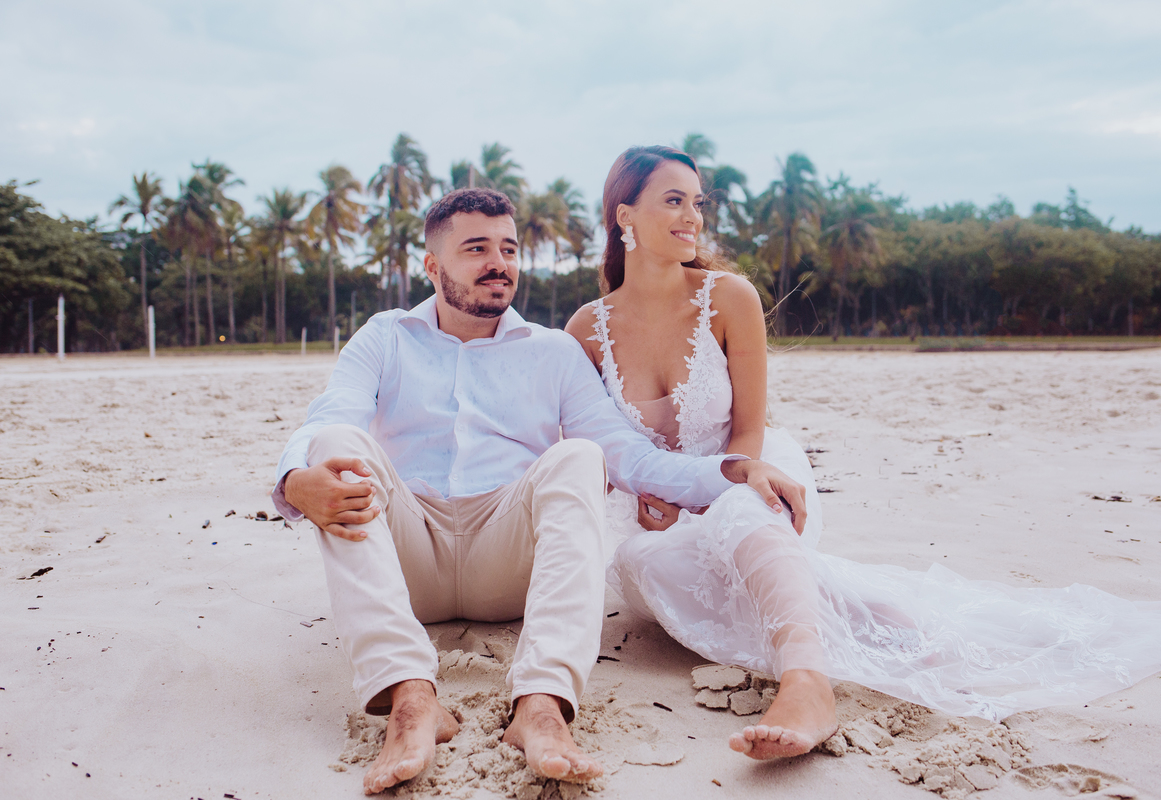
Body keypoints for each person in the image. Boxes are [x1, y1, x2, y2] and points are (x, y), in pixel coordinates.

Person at [565, 145, 1161, 761]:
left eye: (697, 203)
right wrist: (650, 502)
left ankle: (806, 684)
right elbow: (606, 452)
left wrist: (721, 493)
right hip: (660, 522)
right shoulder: (585, 330)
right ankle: (877, 618)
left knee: (744, 510)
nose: (692, 218)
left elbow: (750, 432)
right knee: (659, 565)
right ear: (625, 215)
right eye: (673, 201)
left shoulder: (729, 298)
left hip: (748, 476)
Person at [273, 187, 807, 794]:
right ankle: (409, 699)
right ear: (432, 266)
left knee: (580, 455)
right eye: (476, 248)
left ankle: (542, 704)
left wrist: (733, 470)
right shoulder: (385, 336)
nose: (498, 262)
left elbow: (625, 454)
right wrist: (295, 482)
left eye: (508, 248)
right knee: (336, 442)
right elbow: (325, 418)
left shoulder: (554, 351)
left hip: (507, 562)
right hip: (408, 553)